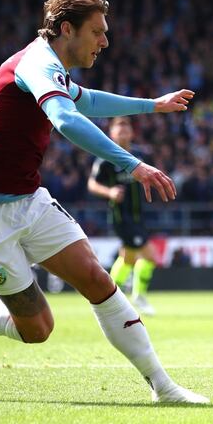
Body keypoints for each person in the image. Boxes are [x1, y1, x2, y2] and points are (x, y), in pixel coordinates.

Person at [0, 0, 207, 404]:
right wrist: (132, 164)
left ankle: (164, 387)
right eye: (98, 32)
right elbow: (66, 117)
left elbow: (86, 100)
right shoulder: (36, 63)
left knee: (95, 276)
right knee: (37, 329)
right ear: (67, 29)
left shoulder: (53, 70)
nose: (105, 41)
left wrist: (152, 106)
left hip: (27, 200)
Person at [88, 116, 157, 316]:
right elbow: (92, 184)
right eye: (119, 128)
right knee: (150, 255)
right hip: (121, 217)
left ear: (132, 133)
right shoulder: (106, 157)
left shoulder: (139, 156)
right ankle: (138, 295)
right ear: (112, 134)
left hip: (139, 215)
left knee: (128, 258)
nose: (123, 131)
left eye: (126, 128)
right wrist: (109, 192)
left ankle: (110, 298)